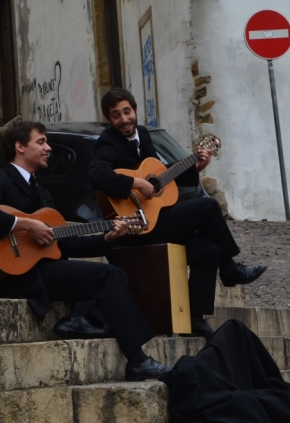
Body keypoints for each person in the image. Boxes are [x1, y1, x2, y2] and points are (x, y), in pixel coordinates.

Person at [0, 120, 171, 381]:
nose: (48, 148)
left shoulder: (43, 196)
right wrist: (26, 224)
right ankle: (138, 360)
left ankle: (79, 318)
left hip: (40, 269)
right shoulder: (0, 177)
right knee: (107, 276)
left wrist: (106, 237)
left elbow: (64, 244)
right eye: (40, 142)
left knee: (117, 274)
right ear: (19, 147)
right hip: (15, 274)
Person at [89, 88, 267, 339]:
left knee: (208, 251)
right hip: (135, 229)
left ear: (135, 111)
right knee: (207, 207)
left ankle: (195, 319)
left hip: (155, 218)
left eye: (127, 112)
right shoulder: (108, 142)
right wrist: (136, 184)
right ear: (109, 120)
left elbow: (160, 176)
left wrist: (194, 167)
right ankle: (230, 269)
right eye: (116, 115)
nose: (124, 119)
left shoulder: (142, 135)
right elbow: (97, 174)